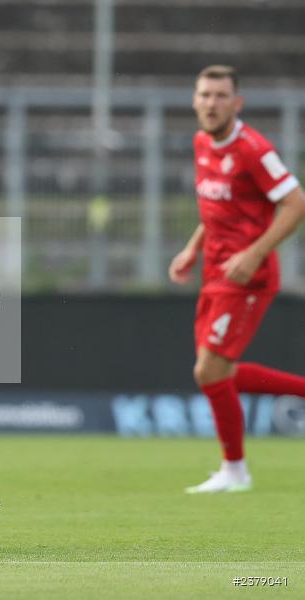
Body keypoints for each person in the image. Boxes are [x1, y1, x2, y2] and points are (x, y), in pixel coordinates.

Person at [169, 65, 305, 494]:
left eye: (220, 96)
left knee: (209, 369)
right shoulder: (201, 142)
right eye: (205, 95)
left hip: (247, 277)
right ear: (194, 100)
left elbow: (296, 203)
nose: (211, 103)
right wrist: (193, 248)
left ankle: (235, 471)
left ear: (237, 103)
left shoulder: (253, 149)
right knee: (216, 372)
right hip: (215, 273)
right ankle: (234, 470)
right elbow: (216, 209)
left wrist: (254, 252)